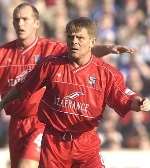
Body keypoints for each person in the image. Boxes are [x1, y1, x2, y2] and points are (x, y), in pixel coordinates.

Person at [0, 17, 150, 168]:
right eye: (71, 37)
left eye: (80, 38)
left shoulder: (106, 73)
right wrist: (3, 102)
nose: (74, 41)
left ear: (92, 42)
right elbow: (23, 87)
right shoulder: (51, 65)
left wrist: (138, 102)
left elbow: (124, 96)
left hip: (86, 144)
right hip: (54, 144)